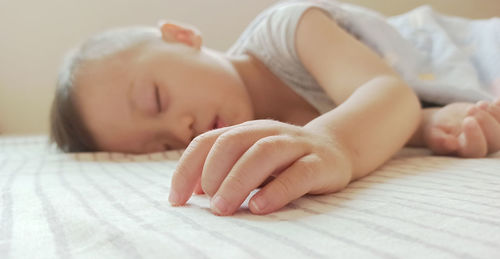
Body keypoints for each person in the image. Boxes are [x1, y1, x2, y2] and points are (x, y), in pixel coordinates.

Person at [50, 0, 500, 216]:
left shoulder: (287, 29)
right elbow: (393, 116)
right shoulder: (269, 137)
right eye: (162, 144)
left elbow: (385, 91)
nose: (181, 129)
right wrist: (431, 125)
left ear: (182, 37)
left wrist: (333, 143)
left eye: (157, 100)